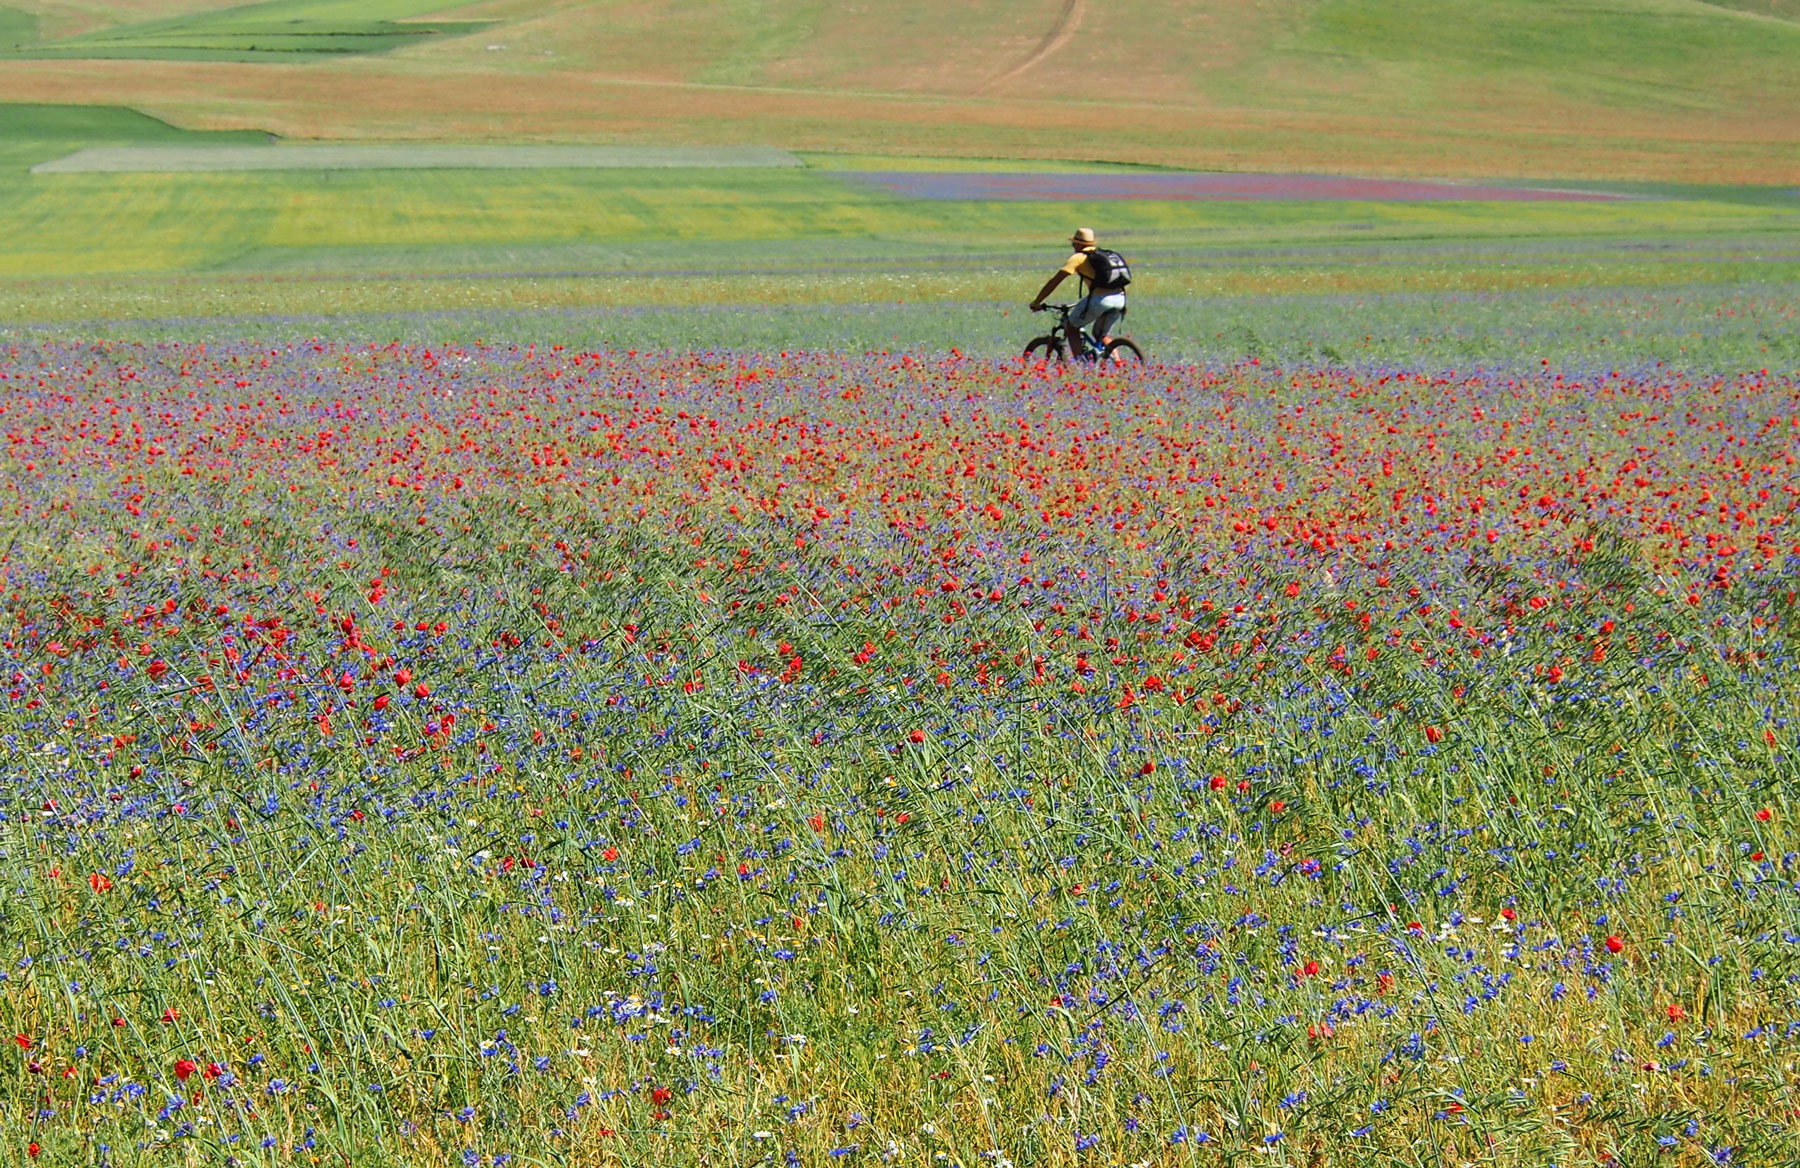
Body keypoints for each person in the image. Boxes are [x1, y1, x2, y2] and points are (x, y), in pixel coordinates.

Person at [1029, 227, 1127, 355]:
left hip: (1100, 300)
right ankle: (1119, 365)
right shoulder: (1104, 255)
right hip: (1120, 298)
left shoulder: (1078, 258)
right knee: (1101, 335)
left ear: (1077, 244)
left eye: (1073, 243)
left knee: (1072, 327)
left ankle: (1081, 364)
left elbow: (1056, 280)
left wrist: (1037, 301)